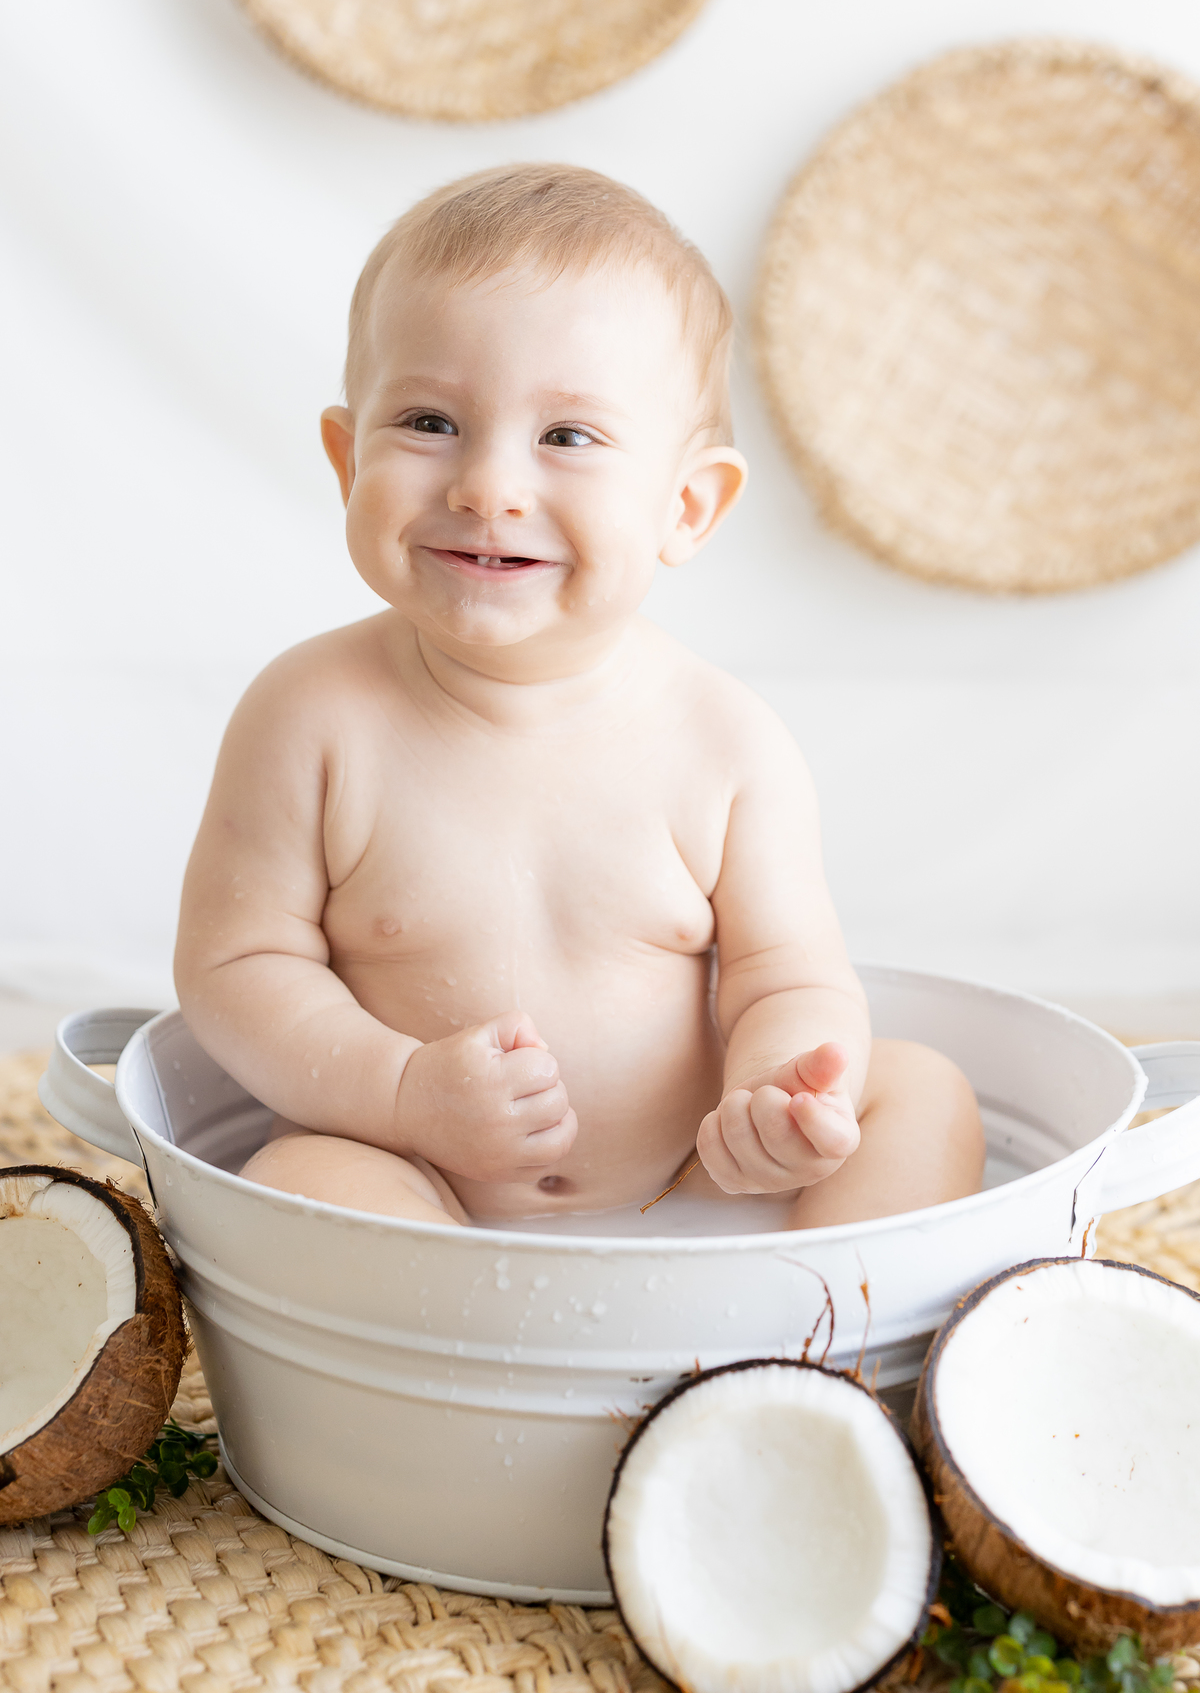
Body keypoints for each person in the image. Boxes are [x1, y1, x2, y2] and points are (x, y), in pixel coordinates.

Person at [174, 164, 984, 1231]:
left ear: (685, 507)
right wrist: (402, 1091)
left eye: (566, 437)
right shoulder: (310, 717)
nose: (487, 487)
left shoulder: (724, 743)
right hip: (419, 1184)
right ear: (346, 458)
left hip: (692, 1190)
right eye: (428, 421)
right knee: (300, 1180)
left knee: (922, 1092)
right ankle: (438, 1324)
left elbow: (789, 977)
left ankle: (836, 1317)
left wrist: (780, 1095)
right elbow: (237, 969)